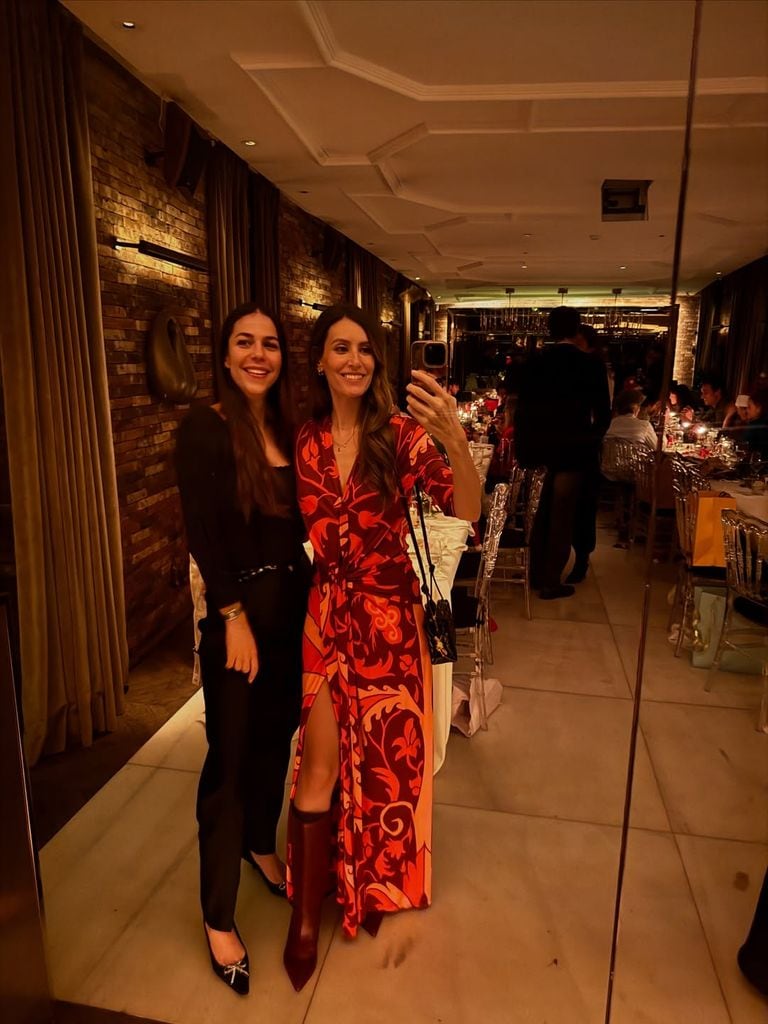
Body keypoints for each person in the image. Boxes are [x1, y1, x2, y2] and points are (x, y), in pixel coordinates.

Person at [282, 305, 480, 991]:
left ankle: (367, 884)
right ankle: (305, 916)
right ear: (319, 360)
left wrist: (454, 436)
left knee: (385, 767)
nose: (355, 360)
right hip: (325, 619)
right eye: (341, 348)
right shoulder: (303, 440)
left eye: (366, 349)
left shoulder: (398, 436)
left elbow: (468, 511)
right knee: (320, 763)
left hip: (389, 623)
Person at [175, 303, 311, 996]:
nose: (258, 354)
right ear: (225, 356)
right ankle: (218, 916)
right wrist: (229, 614)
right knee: (227, 763)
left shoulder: (289, 428)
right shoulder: (206, 428)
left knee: (274, 741)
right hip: (240, 615)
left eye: (270, 344)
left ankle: (263, 842)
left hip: (295, 612)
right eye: (244, 343)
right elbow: (202, 531)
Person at [514, 307, 611, 598]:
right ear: (576, 329)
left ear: (550, 329)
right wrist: (590, 439)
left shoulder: (534, 362)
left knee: (537, 514)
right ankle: (550, 580)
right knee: (561, 516)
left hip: (539, 450)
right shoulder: (590, 364)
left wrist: (524, 448)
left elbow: (523, 410)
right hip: (573, 451)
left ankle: (534, 575)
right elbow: (604, 413)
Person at [744, 383, 768, 462]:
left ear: (758, 408)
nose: (746, 410)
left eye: (749, 407)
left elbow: (749, 449)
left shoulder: (757, 426)